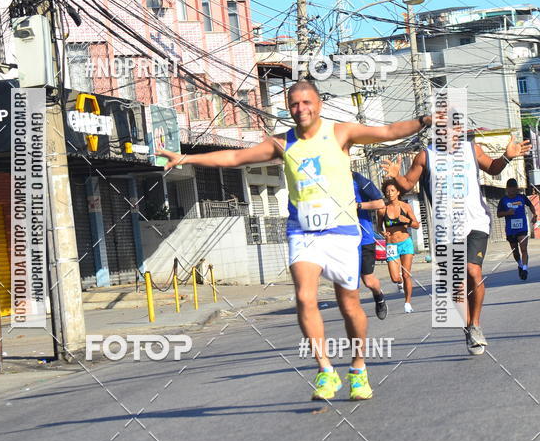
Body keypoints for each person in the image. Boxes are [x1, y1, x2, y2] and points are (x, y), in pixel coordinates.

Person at [160, 79, 431, 401]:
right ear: (288, 109)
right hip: (302, 231)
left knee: (349, 304)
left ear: (318, 105)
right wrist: (187, 159)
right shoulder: (282, 142)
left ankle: (358, 368)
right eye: (294, 104)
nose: (300, 109)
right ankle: (325, 371)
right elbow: (236, 159)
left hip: (342, 232)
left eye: (306, 103)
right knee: (305, 296)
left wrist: (425, 121)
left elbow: (387, 132)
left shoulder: (341, 133)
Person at [383, 132, 531, 355]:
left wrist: (507, 157)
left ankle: (476, 325)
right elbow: (406, 184)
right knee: (458, 284)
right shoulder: (426, 157)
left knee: (473, 271)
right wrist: (395, 176)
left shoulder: (472, 150)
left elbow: (493, 168)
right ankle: (468, 325)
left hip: (476, 222)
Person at [378, 180, 420, 313]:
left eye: (392, 191)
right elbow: (379, 226)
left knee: (407, 274)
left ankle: (407, 303)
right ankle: (399, 282)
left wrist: (407, 220)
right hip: (391, 245)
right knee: (395, 278)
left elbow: (416, 225)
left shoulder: (405, 207)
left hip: (405, 243)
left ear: (398, 192)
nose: (389, 193)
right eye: (387, 191)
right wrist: (382, 232)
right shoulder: (382, 209)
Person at [352, 171, 387, 319]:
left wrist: (358, 205)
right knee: (349, 281)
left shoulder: (357, 179)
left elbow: (380, 203)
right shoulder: (328, 181)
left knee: (368, 280)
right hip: (343, 239)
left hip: (364, 238)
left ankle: (379, 297)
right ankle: (353, 313)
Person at [497, 178, 538, 280]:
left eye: (514, 188)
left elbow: (531, 205)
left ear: (516, 188)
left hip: (522, 229)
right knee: (515, 252)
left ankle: (524, 269)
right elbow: (498, 214)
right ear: (507, 189)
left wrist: (535, 215)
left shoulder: (522, 197)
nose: (512, 190)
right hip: (510, 230)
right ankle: (520, 264)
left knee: (523, 249)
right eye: (510, 188)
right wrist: (507, 213)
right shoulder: (503, 200)